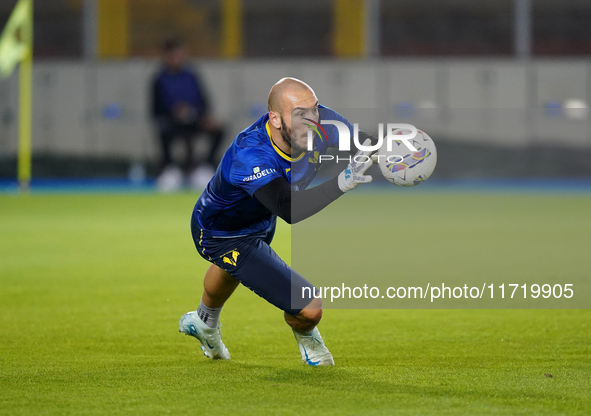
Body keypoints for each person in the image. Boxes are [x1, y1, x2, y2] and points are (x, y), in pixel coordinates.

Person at [178, 78, 377, 366]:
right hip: (222, 233)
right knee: (309, 308)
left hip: (260, 218)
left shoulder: (323, 123)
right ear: (275, 118)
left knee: (232, 268)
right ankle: (308, 335)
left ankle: (204, 322)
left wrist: (400, 156)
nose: (311, 121)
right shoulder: (251, 154)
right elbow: (290, 210)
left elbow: (364, 142)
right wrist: (342, 183)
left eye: (314, 110)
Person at [151, 37, 224, 190]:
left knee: (219, 130)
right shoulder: (160, 79)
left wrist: (202, 115)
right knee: (164, 131)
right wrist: (174, 112)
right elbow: (155, 109)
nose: (178, 58)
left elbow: (203, 101)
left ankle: (203, 168)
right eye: (174, 54)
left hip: (194, 119)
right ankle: (170, 170)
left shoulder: (191, 75)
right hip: (171, 121)